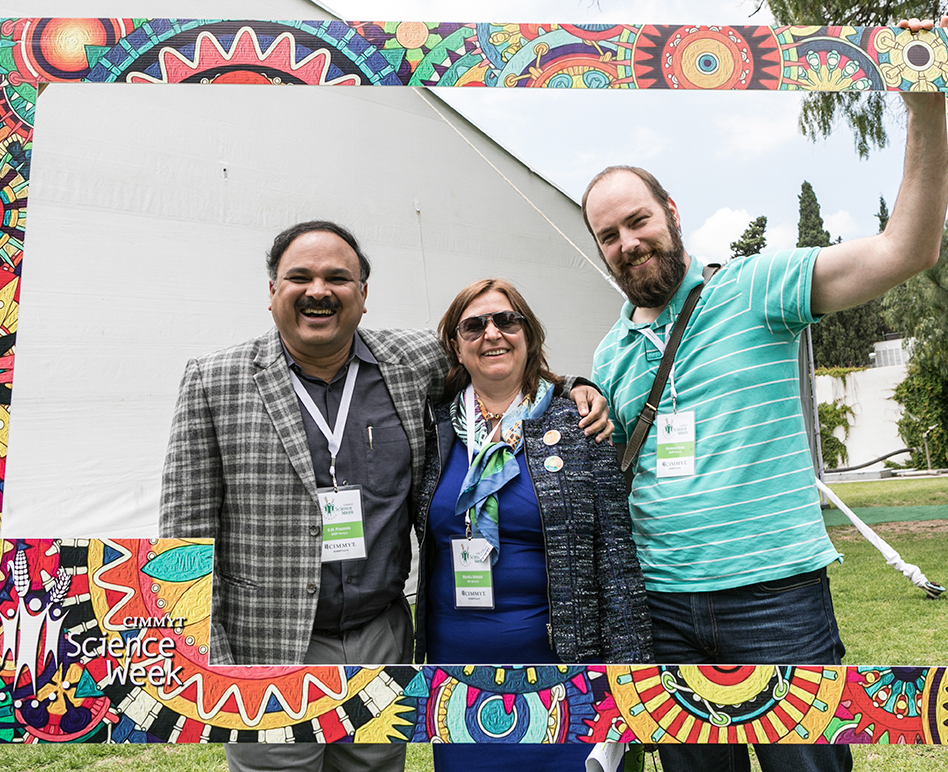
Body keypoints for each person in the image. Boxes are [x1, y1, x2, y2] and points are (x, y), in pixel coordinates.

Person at [580, 17, 948, 772]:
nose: (628, 242)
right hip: (663, 609)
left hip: (777, 597)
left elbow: (905, 251)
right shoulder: (610, 352)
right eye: (609, 234)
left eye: (639, 220)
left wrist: (925, 108)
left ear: (673, 213)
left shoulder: (758, 287)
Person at [159, 221, 611, 772]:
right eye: (299, 277)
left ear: (364, 296)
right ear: (272, 291)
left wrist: (575, 387)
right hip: (268, 647)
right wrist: (210, 660)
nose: (318, 290)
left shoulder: (409, 362)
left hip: (381, 638)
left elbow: (499, 362)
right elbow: (182, 532)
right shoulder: (215, 380)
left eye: (338, 278)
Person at [414, 279, 652, 771]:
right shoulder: (433, 428)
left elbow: (615, 556)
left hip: (564, 676)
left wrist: (632, 683)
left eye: (507, 320)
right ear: (456, 346)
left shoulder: (580, 421)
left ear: (529, 333)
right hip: (455, 679)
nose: (492, 333)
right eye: (474, 325)